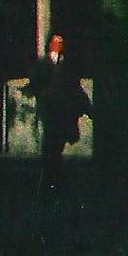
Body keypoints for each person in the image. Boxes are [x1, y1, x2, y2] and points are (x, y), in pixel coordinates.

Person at [23, 34, 92, 193]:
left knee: (57, 141)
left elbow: (75, 86)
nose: (59, 45)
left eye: (61, 43)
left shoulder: (66, 65)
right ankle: (51, 176)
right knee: (52, 141)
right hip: (50, 108)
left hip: (62, 110)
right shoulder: (44, 64)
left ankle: (52, 175)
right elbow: (36, 83)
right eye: (56, 42)